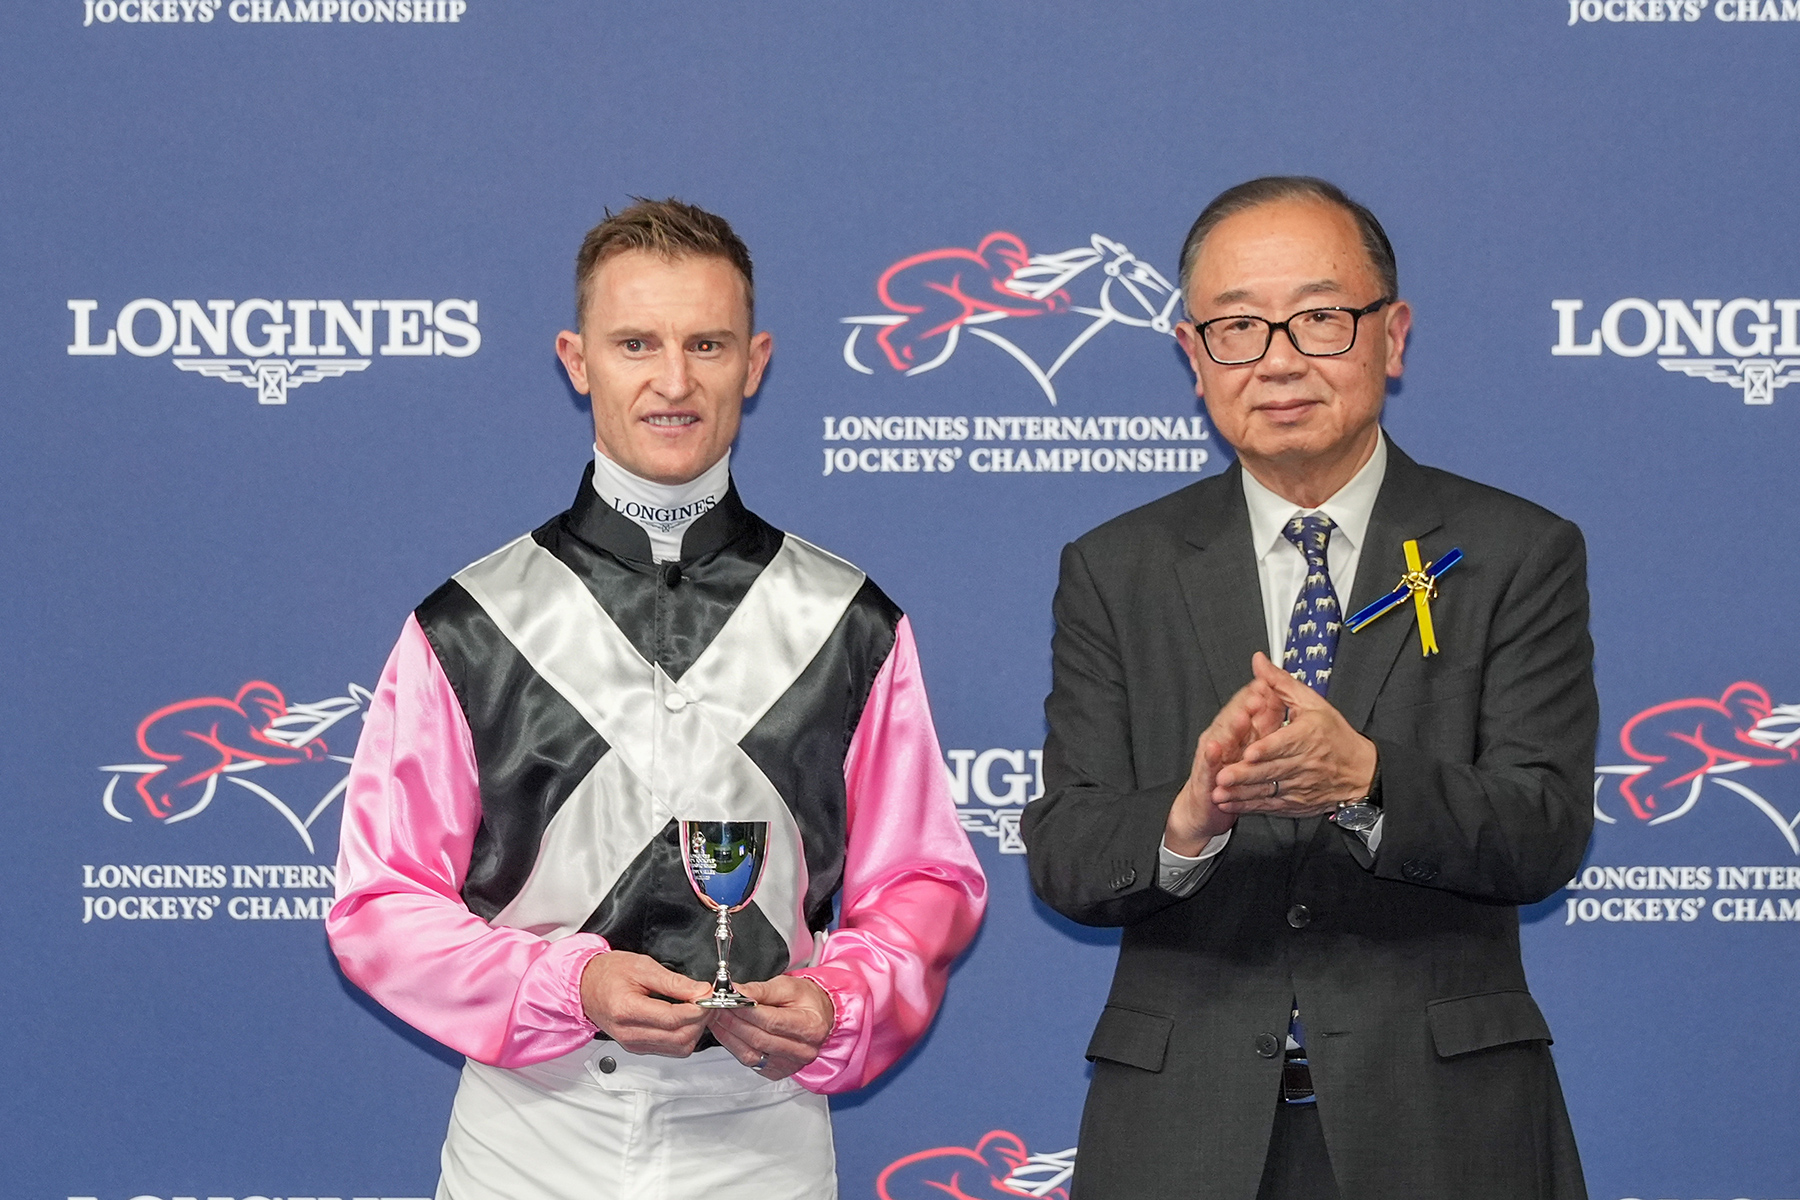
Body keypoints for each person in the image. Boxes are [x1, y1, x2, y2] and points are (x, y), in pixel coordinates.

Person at [327, 198, 987, 1200]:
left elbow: (922, 882)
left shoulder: (850, 619)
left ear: (755, 362)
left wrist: (836, 1002)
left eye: (706, 344)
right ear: (576, 359)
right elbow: (381, 904)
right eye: (636, 343)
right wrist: (571, 985)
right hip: (532, 1134)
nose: (673, 381)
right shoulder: (467, 622)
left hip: (761, 1132)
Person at [1022, 176, 1595, 1200]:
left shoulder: (1515, 551)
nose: (1279, 359)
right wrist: (1190, 818)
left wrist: (1367, 780)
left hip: (1444, 1128)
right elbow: (1068, 851)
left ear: (1392, 336)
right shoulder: (1115, 568)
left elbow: (1544, 830)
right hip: (1181, 1130)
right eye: (1238, 327)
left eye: (1321, 319)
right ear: (1193, 355)